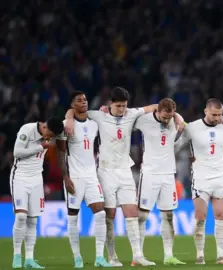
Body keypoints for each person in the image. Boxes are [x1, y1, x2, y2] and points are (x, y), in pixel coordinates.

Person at [64, 87, 183, 266]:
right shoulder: (99, 116)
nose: (122, 109)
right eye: (118, 106)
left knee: (132, 213)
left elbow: (155, 107)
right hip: (105, 171)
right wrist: (70, 119)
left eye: (124, 105)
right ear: (110, 104)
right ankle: (112, 257)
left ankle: (137, 255)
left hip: (125, 170)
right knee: (109, 215)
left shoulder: (131, 113)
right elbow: (76, 109)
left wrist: (178, 116)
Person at [56, 91, 112, 268]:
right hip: (74, 177)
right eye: (79, 100)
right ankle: (77, 257)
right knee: (73, 217)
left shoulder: (94, 124)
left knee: (101, 214)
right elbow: (60, 153)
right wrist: (65, 176)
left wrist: (106, 109)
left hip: (91, 176)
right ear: (72, 105)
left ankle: (99, 258)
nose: (84, 102)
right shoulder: (65, 125)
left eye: (85, 99)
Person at [176, 98, 223, 265]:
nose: (217, 118)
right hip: (201, 179)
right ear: (206, 111)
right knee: (200, 217)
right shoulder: (192, 128)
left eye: (220, 114)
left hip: (220, 178)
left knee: (221, 216)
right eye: (214, 114)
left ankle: (221, 256)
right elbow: (177, 146)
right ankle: (200, 255)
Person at [134, 98, 186, 265]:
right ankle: (138, 256)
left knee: (168, 216)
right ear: (157, 111)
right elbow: (126, 118)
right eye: (164, 117)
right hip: (149, 173)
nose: (166, 120)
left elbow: (180, 122)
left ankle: (169, 256)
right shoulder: (144, 121)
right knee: (142, 216)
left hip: (168, 174)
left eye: (169, 117)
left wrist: (177, 117)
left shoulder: (174, 120)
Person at [11, 117, 64, 269]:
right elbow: (17, 152)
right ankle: (16, 256)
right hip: (20, 176)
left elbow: (68, 120)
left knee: (33, 221)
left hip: (36, 179)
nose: (50, 139)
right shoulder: (27, 129)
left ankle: (29, 259)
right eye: (50, 135)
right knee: (21, 216)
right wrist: (39, 147)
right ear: (45, 127)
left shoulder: (51, 133)